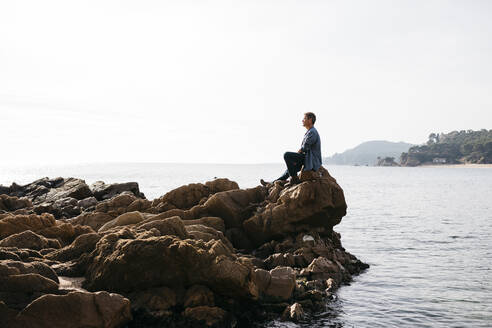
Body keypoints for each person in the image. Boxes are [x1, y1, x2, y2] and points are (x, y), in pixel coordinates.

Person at [261, 112, 322, 186]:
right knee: (289, 170)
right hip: (306, 158)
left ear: (310, 120)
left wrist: (295, 158)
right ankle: (272, 183)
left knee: (287, 155)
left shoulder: (312, 132)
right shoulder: (309, 132)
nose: (302, 120)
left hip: (311, 160)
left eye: (304, 118)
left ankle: (294, 179)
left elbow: (304, 148)